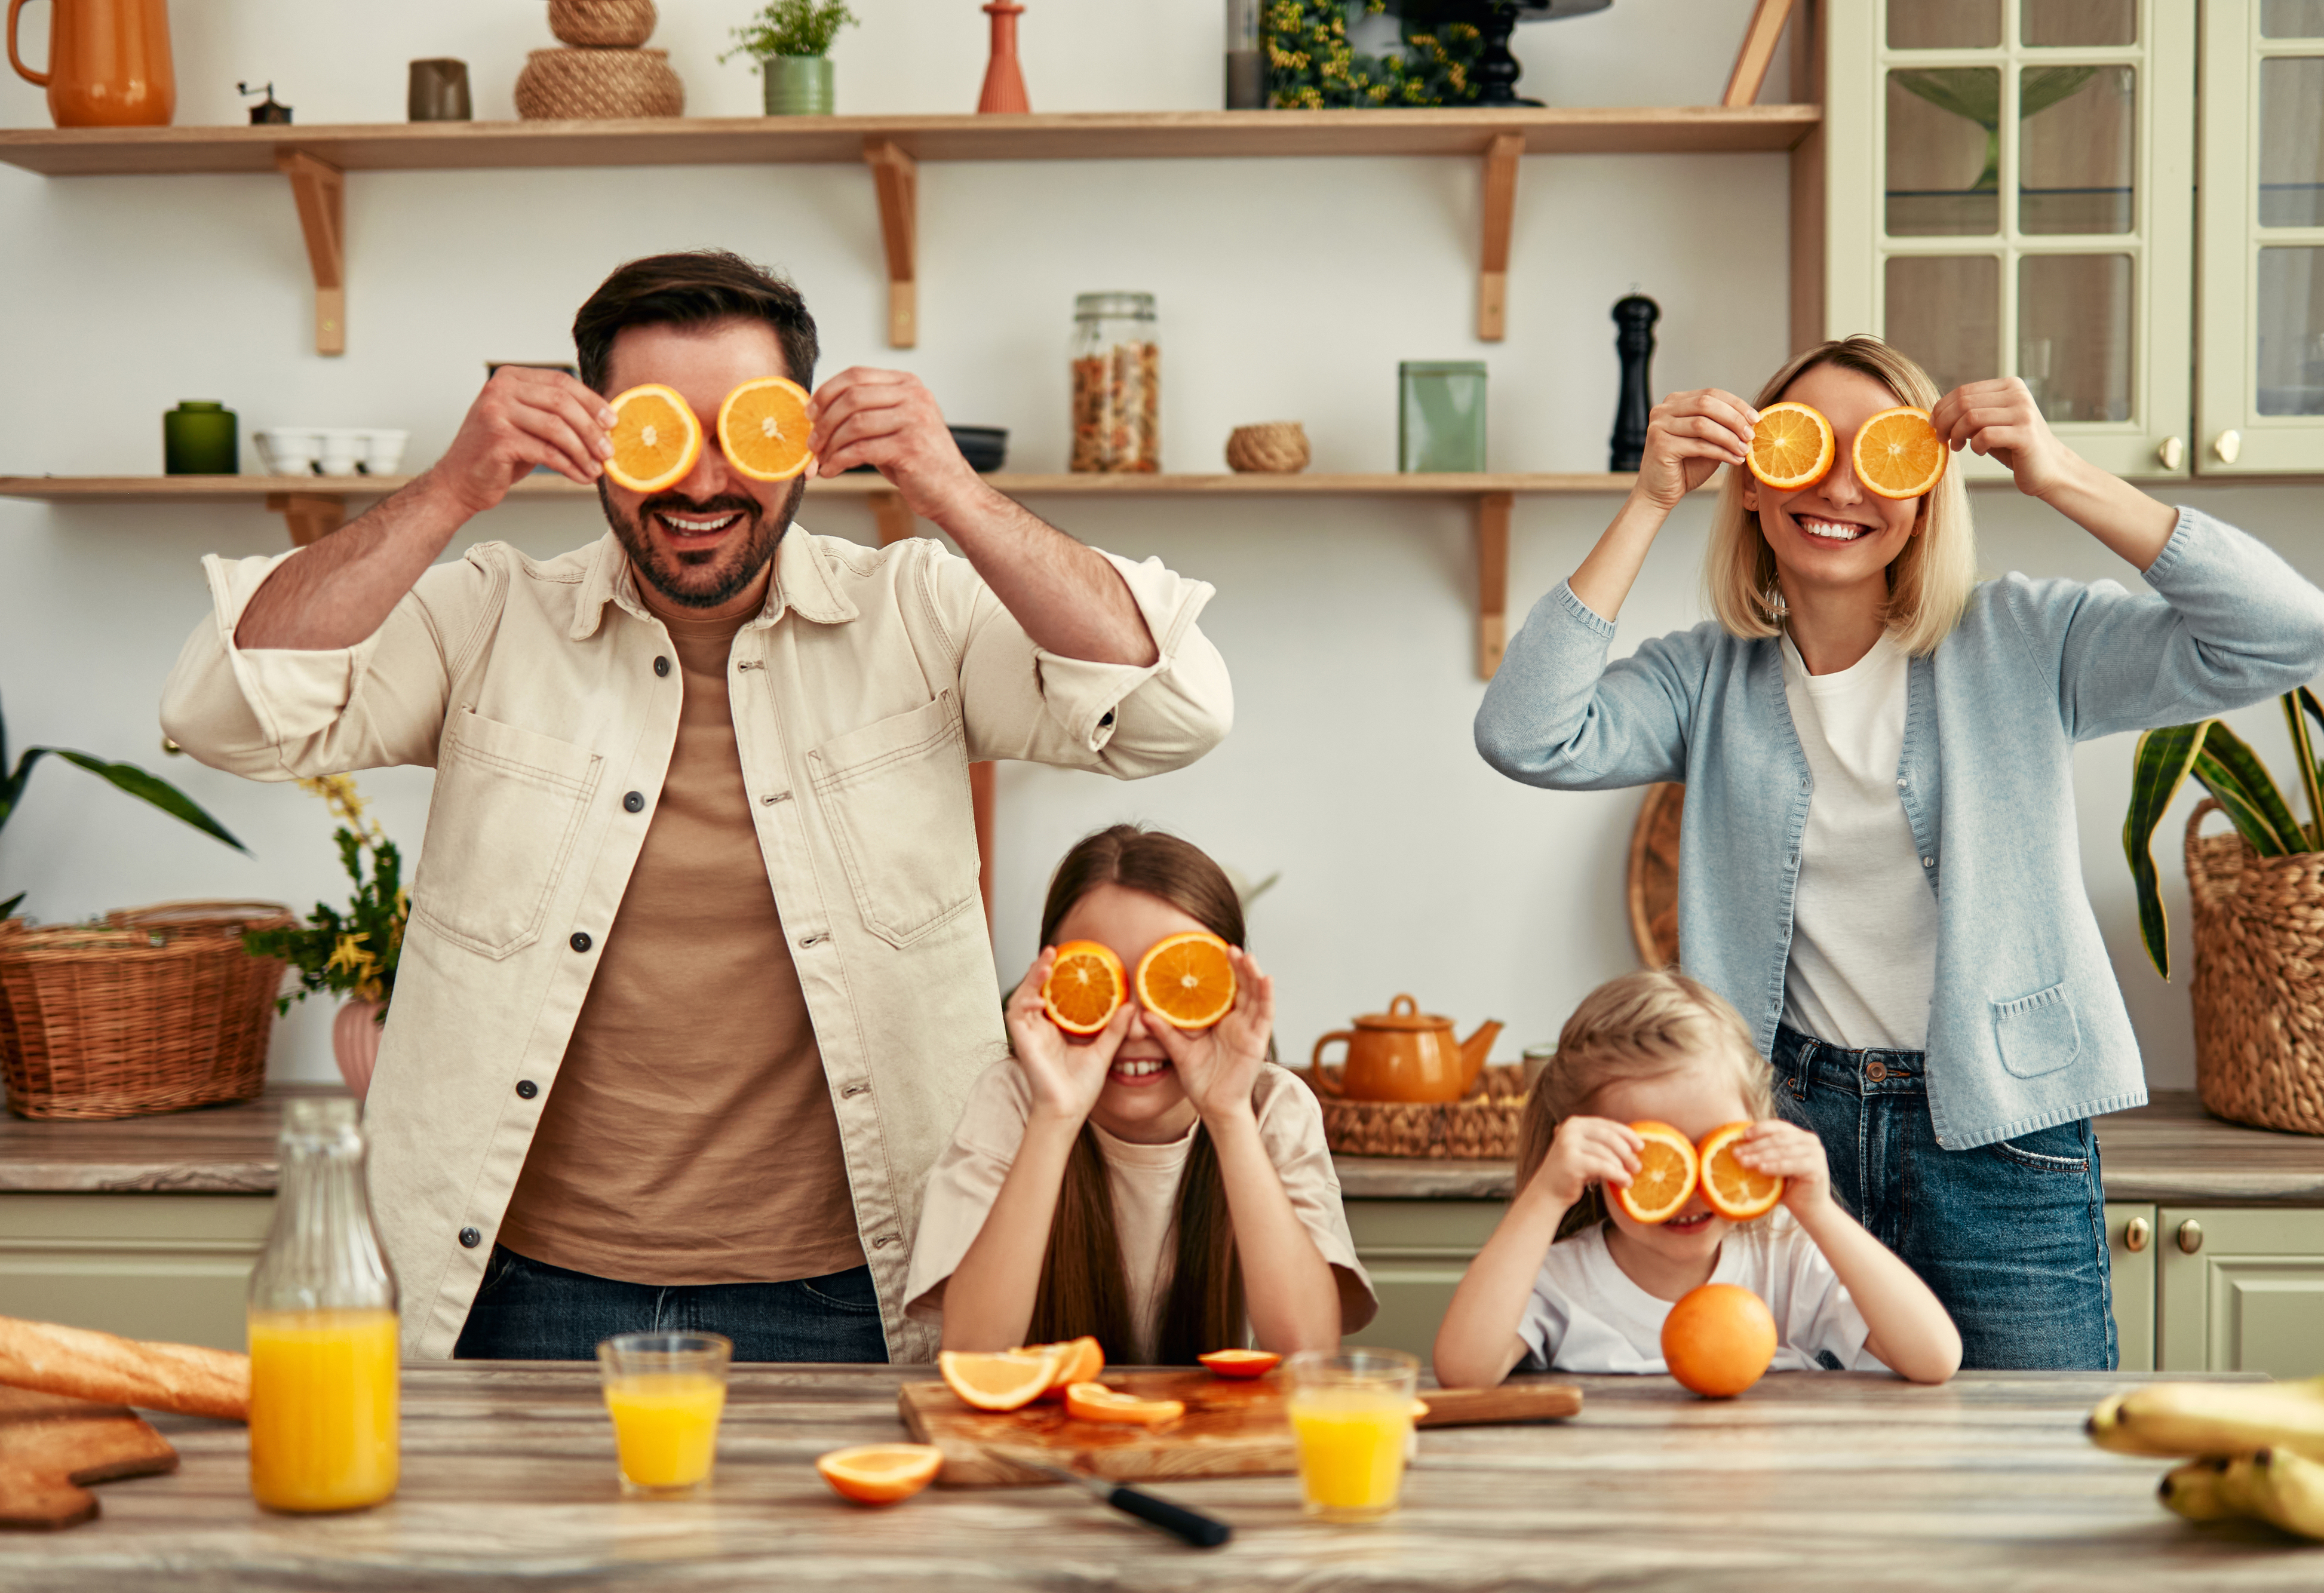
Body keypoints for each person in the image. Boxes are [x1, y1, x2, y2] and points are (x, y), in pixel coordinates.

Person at [159, 251, 1234, 1363]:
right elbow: (224, 710)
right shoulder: (489, 619)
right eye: (657, 430)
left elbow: (1177, 709)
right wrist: (451, 489)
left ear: (808, 436)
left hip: (861, 1287)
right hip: (518, 1289)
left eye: (749, 430)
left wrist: (949, 489)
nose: (705, 479)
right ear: (590, 440)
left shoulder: (920, 614)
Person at [1473, 336, 2324, 1369]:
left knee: (2035, 1466)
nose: (1841, 483)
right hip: (1787, 1133)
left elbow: (2292, 633)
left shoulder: (2024, 637)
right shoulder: (1704, 678)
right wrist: (1652, 499)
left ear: (1926, 494)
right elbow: (1525, 732)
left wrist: (2056, 472)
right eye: (1806, 449)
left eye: (1880, 454)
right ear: (1752, 484)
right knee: (1812, 1472)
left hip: (2001, 1131)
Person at [905, 825, 1374, 1361]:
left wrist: (1228, 1115)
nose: (1133, 1027)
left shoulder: (1274, 1107)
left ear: (1228, 989)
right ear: (1050, 983)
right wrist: (1056, 1117)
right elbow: (975, 1356)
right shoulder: (1013, 1100)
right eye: (1100, 982)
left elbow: (1306, 1352)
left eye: (1173, 984)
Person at [1433, 971, 1959, 1388]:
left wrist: (1818, 1211)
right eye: (1653, 1158)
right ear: (1590, 1161)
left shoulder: (1784, 1257)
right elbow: (1463, 1371)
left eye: (1715, 1150)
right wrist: (1546, 1195)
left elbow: (1934, 1358)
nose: (1689, 1189)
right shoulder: (1561, 1280)